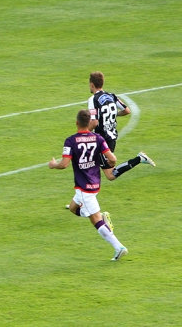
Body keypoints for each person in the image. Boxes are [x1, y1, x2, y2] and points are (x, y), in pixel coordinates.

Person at [49, 109, 128, 261]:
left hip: (84, 187)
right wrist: (108, 163)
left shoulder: (71, 141)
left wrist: (53, 165)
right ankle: (102, 219)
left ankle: (119, 247)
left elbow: (64, 164)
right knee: (73, 208)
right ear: (90, 122)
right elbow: (112, 159)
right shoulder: (98, 138)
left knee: (95, 220)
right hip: (94, 183)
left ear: (77, 122)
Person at [87, 71, 155, 179]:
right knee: (92, 164)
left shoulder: (93, 99)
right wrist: (113, 115)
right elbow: (127, 110)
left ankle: (139, 159)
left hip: (101, 140)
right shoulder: (111, 96)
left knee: (110, 175)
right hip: (111, 138)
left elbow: (94, 122)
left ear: (91, 84)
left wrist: (82, 134)